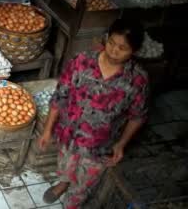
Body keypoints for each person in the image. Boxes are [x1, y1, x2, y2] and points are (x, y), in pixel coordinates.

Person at [38, 19, 149, 209]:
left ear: (134, 51)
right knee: (65, 163)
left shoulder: (137, 80)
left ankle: (71, 203)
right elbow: (60, 95)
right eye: (111, 43)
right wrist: (48, 130)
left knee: (84, 183)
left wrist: (121, 144)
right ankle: (63, 183)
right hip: (69, 134)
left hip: (100, 144)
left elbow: (137, 116)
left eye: (122, 48)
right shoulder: (82, 61)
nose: (114, 51)